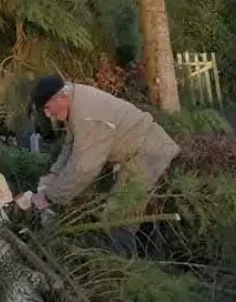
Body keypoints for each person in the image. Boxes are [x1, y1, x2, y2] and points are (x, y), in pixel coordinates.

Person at [23, 75, 179, 218]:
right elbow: (70, 146)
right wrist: (53, 174)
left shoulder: (88, 117)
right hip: (137, 152)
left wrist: (50, 196)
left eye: (48, 108)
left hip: (147, 152)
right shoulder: (75, 100)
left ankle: (125, 249)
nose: (48, 115)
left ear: (61, 97)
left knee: (118, 217)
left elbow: (84, 167)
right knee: (124, 215)